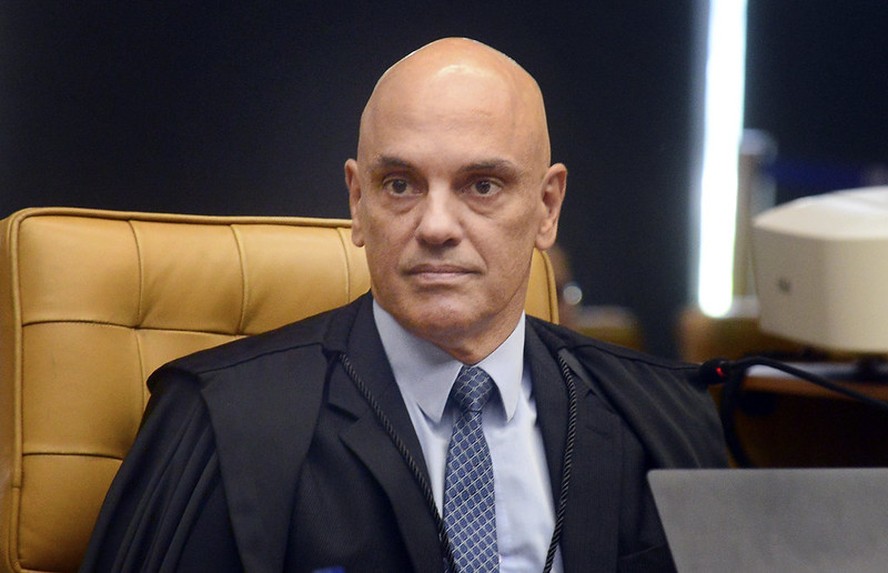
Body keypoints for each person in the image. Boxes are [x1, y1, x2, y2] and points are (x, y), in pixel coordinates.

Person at [81, 37, 726, 573]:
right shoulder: (221, 421)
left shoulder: (661, 415)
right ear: (358, 203)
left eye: (482, 185)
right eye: (400, 184)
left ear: (546, 207)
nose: (437, 226)